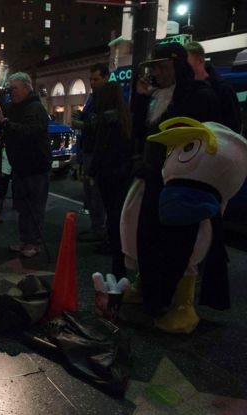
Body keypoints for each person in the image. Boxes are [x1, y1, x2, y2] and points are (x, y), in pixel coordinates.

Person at [123, 42, 222, 319]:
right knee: (149, 240)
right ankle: (152, 295)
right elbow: (144, 134)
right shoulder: (158, 95)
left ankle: (181, 305)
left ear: (176, 65)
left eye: (161, 66)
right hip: (155, 180)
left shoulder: (199, 95)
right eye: (154, 67)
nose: (156, 72)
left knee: (181, 248)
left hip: (184, 185)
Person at [0, 72, 51, 258]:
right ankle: (25, 240)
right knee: (22, 206)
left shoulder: (35, 108)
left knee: (35, 206)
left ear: (26, 88)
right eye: (10, 89)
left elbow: (29, 132)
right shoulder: (14, 106)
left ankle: (34, 243)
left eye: (15, 88)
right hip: (19, 165)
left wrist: (5, 122)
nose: (12, 93)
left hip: (35, 166)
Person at [87, 82, 132, 279]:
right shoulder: (124, 116)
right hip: (122, 172)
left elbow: (101, 147)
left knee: (111, 215)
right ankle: (120, 257)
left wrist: (91, 171)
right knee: (117, 215)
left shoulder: (106, 118)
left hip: (107, 172)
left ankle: (116, 261)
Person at [71, 63, 109, 243]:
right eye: (91, 79)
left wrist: (83, 124)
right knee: (90, 192)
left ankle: (100, 230)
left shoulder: (107, 97)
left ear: (105, 78)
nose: (93, 83)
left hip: (96, 151)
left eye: (96, 79)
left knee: (96, 193)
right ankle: (97, 228)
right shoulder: (93, 98)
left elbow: (102, 125)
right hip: (88, 149)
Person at [185, 41, 242, 133]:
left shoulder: (222, 88)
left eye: (186, 61)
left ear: (199, 61)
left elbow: (233, 126)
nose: (182, 66)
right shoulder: (186, 88)